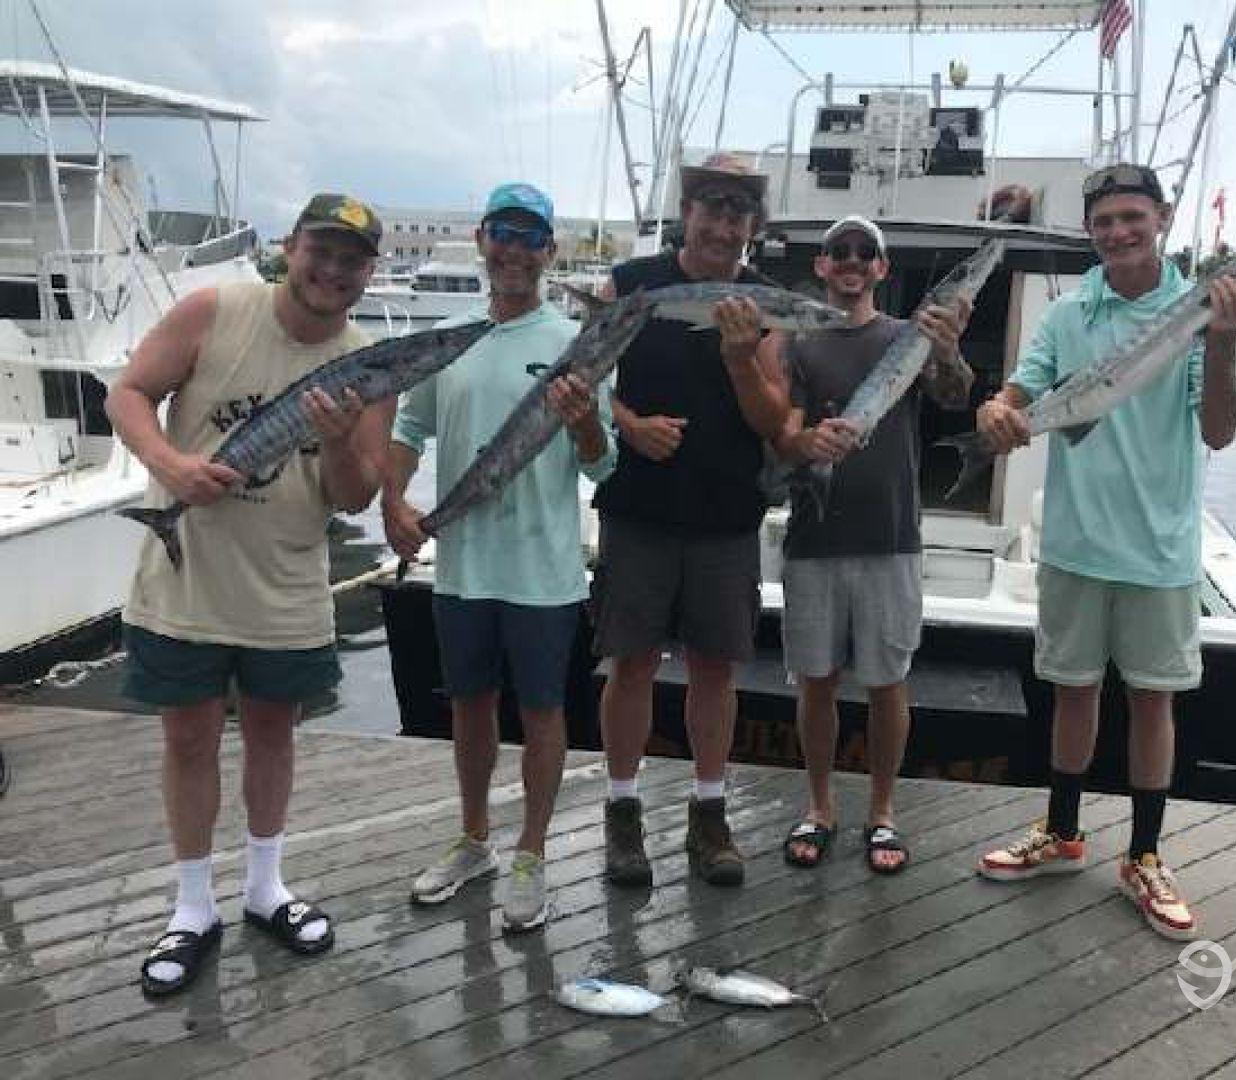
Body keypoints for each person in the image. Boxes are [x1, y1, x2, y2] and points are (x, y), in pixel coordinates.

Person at [106, 193, 388, 994]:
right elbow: (127, 395)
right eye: (320, 250)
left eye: (350, 259)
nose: (331, 270)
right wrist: (171, 467)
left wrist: (338, 442)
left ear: (368, 273)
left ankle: (266, 889)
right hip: (186, 581)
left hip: (289, 589)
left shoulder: (370, 363)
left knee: (274, 735)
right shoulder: (212, 310)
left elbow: (356, 496)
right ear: (291, 248)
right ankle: (192, 906)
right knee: (188, 740)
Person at [975, 164, 1236, 940]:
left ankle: (1144, 854)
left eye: (1133, 217)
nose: (1118, 232)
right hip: (1074, 539)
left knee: (1152, 701)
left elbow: (1220, 431)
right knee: (1071, 692)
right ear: (1090, 231)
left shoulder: (1198, 311)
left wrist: (1225, 343)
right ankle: (1063, 833)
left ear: (1161, 219)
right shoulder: (1069, 315)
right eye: (1104, 221)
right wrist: (997, 408)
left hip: (1159, 546)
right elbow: (1022, 389)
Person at [382, 182, 614, 932]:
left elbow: (602, 467)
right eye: (503, 233)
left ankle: (532, 855)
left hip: (544, 573)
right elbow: (408, 430)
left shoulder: (574, 347)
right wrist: (394, 505)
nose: (514, 249)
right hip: (462, 569)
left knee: (544, 712)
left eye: (530, 237)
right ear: (483, 240)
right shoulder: (450, 339)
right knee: (470, 707)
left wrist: (582, 428)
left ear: (550, 251)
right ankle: (475, 839)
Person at [591, 152, 790, 888]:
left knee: (716, 668)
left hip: (727, 514)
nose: (723, 223)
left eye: (738, 212)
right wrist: (628, 427)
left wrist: (743, 361)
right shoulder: (631, 283)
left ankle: (710, 813)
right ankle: (622, 813)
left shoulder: (769, 303)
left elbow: (776, 419)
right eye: (712, 207)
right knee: (631, 663)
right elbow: (579, 374)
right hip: (637, 505)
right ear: (688, 212)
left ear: (753, 227)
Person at [772, 215, 973, 874]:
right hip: (812, 537)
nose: (852, 261)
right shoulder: (797, 344)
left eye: (866, 252)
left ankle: (883, 813)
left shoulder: (909, 337)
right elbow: (783, 435)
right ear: (823, 267)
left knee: (889, 683)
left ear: (882, 270)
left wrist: (947, 350)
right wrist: (806, 444)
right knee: (818, 683)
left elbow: (956, 394)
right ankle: (821, 806)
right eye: (840, 252)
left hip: (890, 538)